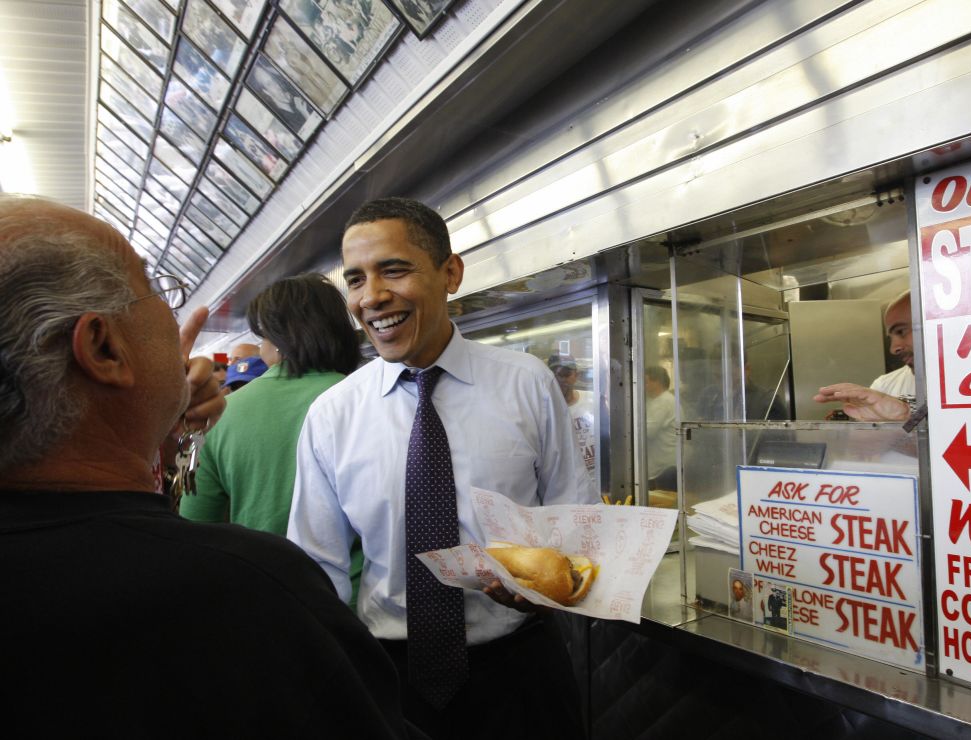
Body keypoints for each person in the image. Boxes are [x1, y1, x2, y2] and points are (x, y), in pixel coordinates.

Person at [0, 195, 415, 738]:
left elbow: (187, 518)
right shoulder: (252, 593)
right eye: (155, 291)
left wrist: (156, 430)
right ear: (103, 349)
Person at [288, 197, 591, 739]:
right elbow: (318, 568)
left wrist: (548, 588)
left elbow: (573, 519)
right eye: (355, 280)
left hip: (521, 668)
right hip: (389, 677)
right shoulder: (333, 415)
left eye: (394, 270)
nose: (372, 297)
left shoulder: (526, 384)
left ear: (450, 272)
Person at [182, 272, 364, 605]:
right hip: (365, 609)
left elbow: (195, 525)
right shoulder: (371, 400)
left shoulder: (219, 414)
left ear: (276, 339)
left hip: (267, 603)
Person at [814, 290, 916, 421]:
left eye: (901, 331)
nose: (893, 348)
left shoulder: (951, 383)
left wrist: (907, 411)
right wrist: (906, 413)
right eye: (891, 337)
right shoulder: (884, 386)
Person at [548, 353, 596, 487]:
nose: (561, 379)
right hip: (565, 485)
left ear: (576, 375)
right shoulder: (545, 409)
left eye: (566, 374)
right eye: (556, 374)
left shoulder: (593, 400)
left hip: (597, 480)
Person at [643, 365, 677, 481]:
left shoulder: (664, 401)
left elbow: (647, 432)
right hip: (659, 463)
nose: (644, 386)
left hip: (664, 466)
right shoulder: (654, 400)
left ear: (657, 382)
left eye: (646, 382)